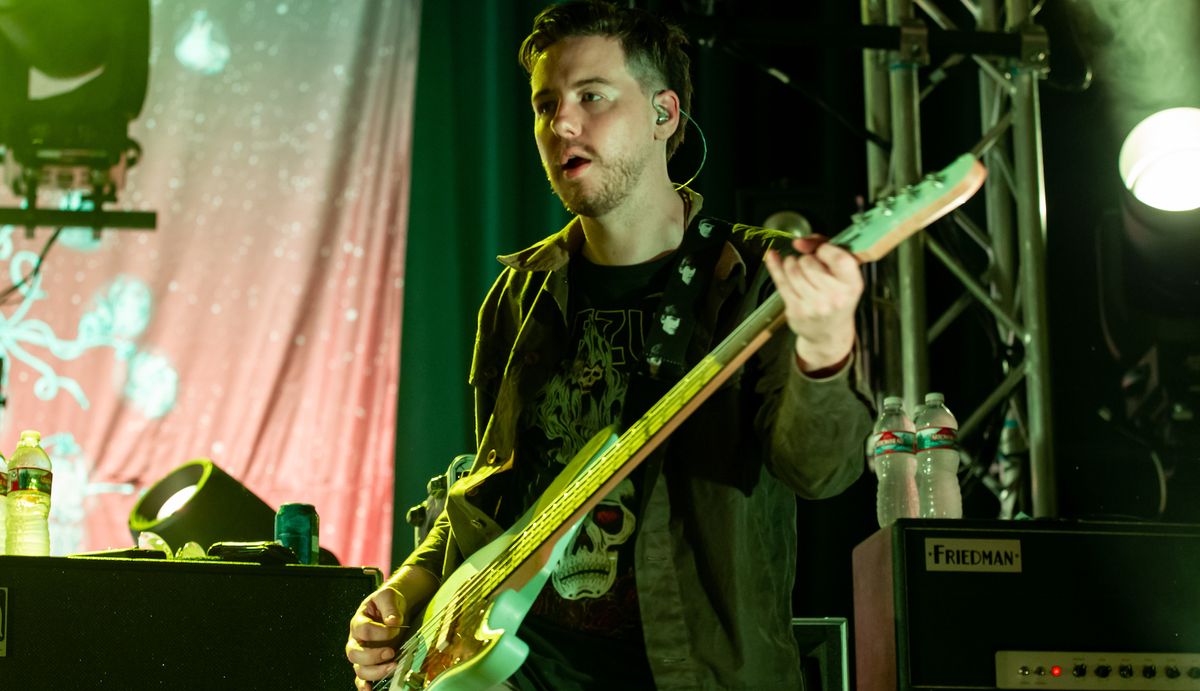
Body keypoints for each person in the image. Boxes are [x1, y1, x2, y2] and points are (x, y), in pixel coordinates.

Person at [347, 1, 873, 689]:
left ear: (665, 115)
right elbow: (489, 498)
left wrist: (827, 345)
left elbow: (821, 471)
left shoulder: (754, 284)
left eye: (592, 97)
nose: (561, 123)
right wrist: (409, 590)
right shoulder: (519, 296)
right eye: (545, 104)